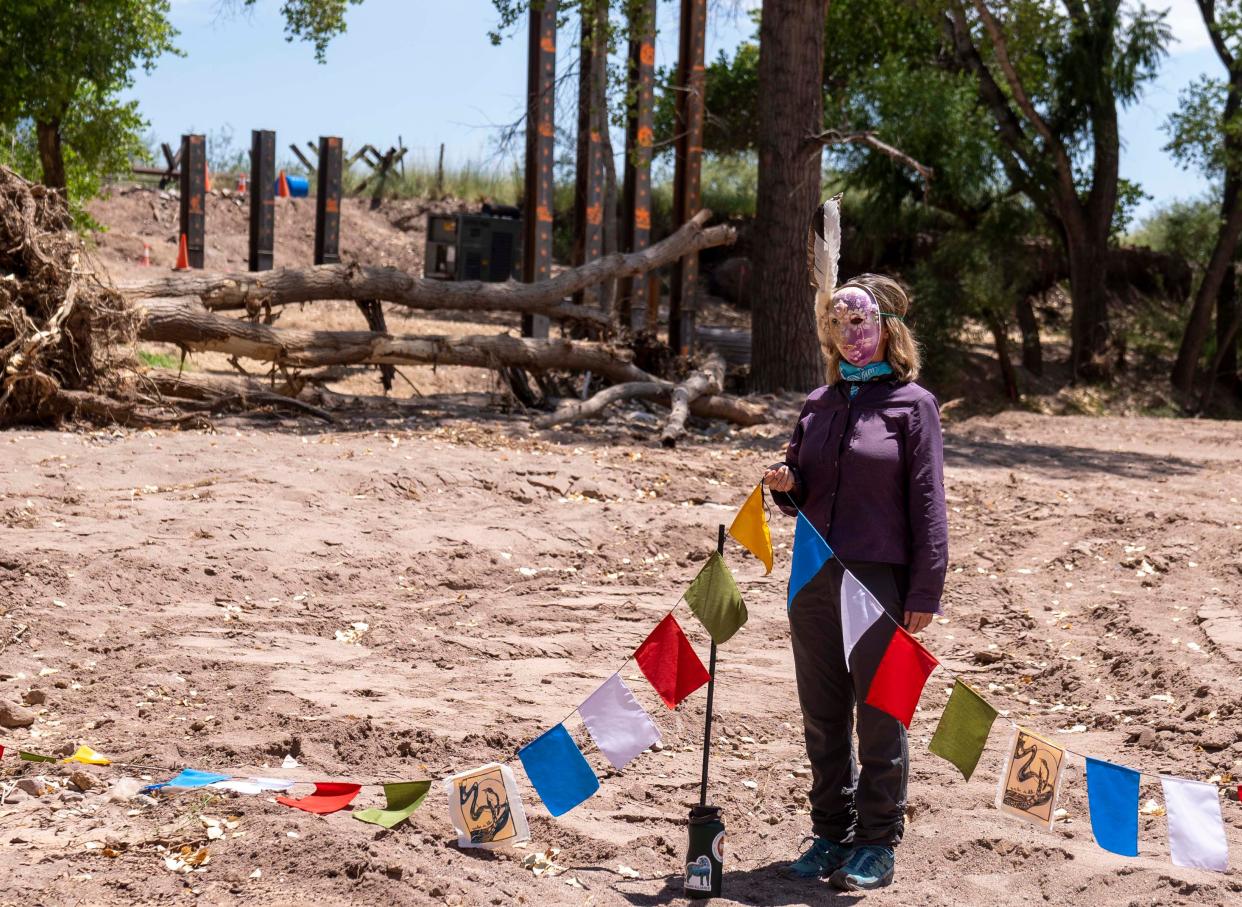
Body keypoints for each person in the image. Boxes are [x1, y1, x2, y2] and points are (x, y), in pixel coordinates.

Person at [763, 273, 948, 891]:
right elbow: (806, 489)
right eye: (839, 324)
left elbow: (927, 502)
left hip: (878, 585)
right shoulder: (818, 404)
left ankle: (876, 844)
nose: (850, 334)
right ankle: (828, 835)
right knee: (822, 715)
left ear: (888, 330)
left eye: (861, 322)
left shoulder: (913, 404)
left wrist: (925, 590)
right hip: (812, 578)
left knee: (880, 714)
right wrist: (787, 486)